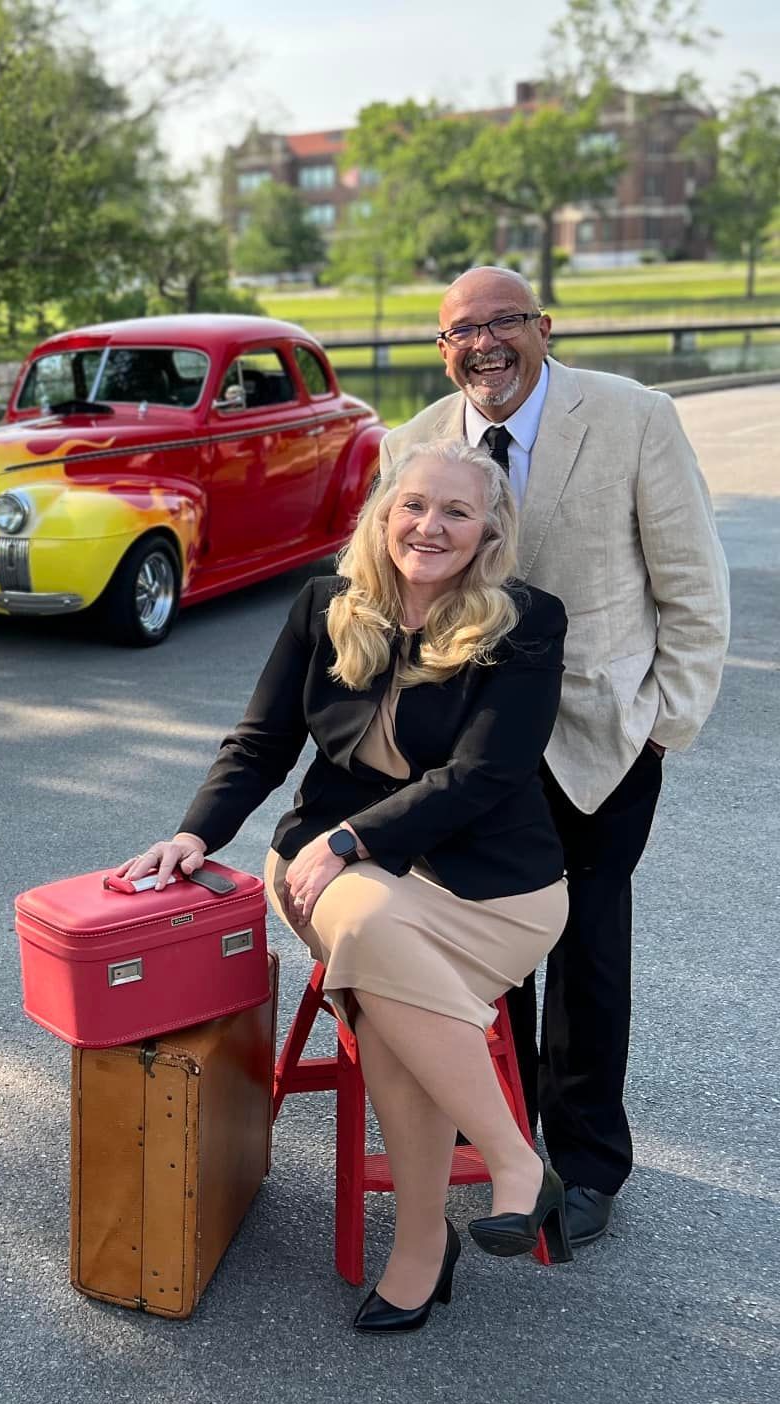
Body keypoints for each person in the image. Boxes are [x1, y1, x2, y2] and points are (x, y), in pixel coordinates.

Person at [117, 438, 571, 1336]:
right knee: (363, 924)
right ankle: (513, 1166)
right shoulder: (326, 604)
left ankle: (431, 1240)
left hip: (492, 886)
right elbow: (259, 743)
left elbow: (487, 774)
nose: (429, 526)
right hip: (328, 862)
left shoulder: (526, 620)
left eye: (456, 511)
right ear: (383, 510)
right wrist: (193, 833)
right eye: (413, 505)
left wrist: (360, 835)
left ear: (488, 530)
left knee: (373, 979)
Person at [379, 266, 731, 1249]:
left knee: (584, 952)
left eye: (503, 324)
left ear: (542, 326)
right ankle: (503, 1149)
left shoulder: (632, 417)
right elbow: (385, 596)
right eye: (461, 332)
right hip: (461, 756)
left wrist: (664, 721)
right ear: (440, 347)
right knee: (478, 949)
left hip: (598, 742)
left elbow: (693, 591)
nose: (483, 346)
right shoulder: (409, 447)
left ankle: (586, 1165)